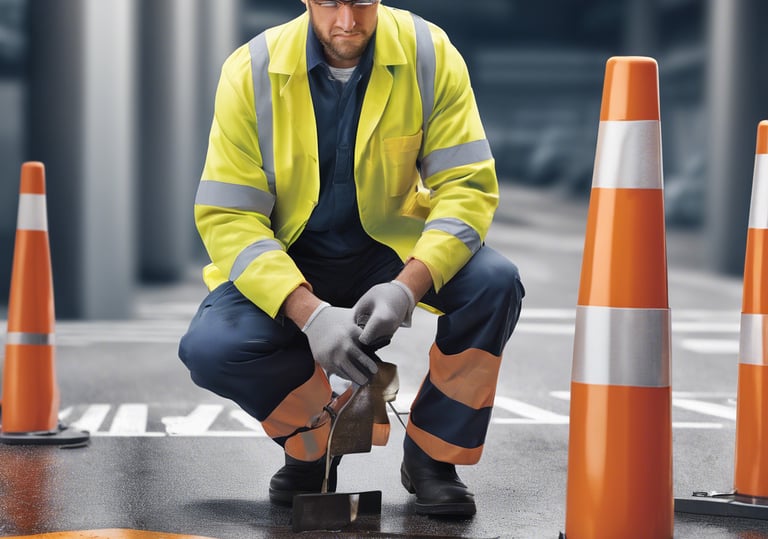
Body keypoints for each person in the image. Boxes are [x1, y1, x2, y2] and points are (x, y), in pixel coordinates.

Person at [179, 0, 524, 517]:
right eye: (329, 3)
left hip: (389, 253)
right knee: (212, 347)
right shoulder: (250, 70)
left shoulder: (430, 53)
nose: (346, 21)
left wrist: (408, 286)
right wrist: (310, 315)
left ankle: (432, 458)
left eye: (361, 3)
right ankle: (313, 449)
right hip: (290, 258)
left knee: (495, 283)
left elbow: (467, 188)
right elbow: (229, 215)